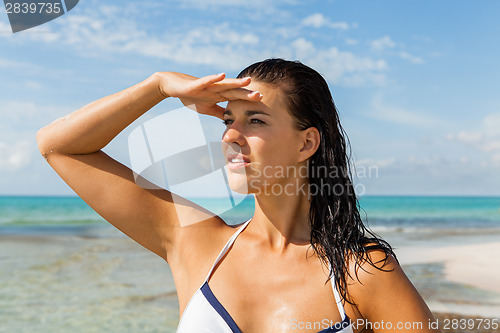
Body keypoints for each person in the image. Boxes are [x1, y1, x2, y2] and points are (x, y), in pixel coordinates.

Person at [37, 59, 440, 333]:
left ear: (307, 143)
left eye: (255, 120)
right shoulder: (195, 243)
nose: (230, 134)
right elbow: (59, 146)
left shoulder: (363, 273)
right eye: (228, 120)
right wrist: (158, 86)